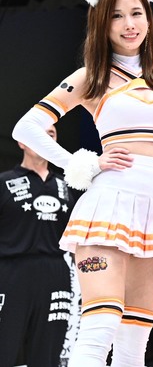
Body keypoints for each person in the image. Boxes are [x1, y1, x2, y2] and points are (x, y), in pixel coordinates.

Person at [12, 0, 153, 367]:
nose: (128, 24)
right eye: (117, 16)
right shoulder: (92, 77)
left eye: (136, 13)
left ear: (149, 19)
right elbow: (27, 126)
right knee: (99, 328)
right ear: (102, 24)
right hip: (109, 206)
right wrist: (81, 162)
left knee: (134, 343)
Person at [0, 124, 77, 367]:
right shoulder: (3, 182)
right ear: (21, 141)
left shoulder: (68, 187)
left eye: (51, 134)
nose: (45, 138)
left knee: (48, 354)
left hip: (56, 274)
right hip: (11, 274)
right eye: (38, 133)